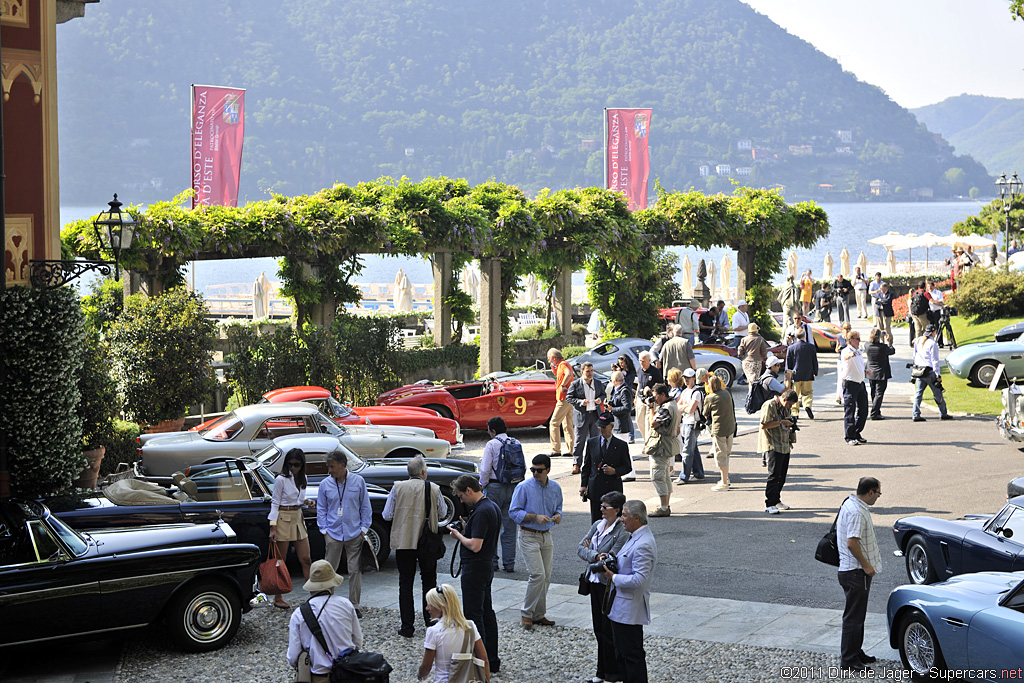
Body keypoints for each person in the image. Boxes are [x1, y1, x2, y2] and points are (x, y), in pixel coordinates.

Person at [383, 454, 444, 637]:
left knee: (405, 583)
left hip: (404, 541)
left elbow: (387, 514)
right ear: (424, 472)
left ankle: (407, 626)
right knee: (429, 582)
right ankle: (430, 621)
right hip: (427, 541)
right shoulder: (433, 488)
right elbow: (442, 512)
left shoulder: (397, 488)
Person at [448, 474, 501, 674]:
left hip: (475, 567)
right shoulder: (491, 506)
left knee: (473, 616)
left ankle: (480, 663)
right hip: (485, 566)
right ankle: (492, 660)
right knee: (487, 612)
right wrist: (466, 528)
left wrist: (458, 535)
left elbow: (475, 545)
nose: (461, 501)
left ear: (469, 491)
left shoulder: (481, 511)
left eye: (461, 496)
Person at [601, 500, 657, 683]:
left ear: (636, 518)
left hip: (630, 609)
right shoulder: (634, 537)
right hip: (620, 607)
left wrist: (613, 577)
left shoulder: (644, 544)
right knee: (622, 655)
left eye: (624, 515)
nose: (621, 519)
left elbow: (639, 581)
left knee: (631, 656)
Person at [577, 491, 630, 683]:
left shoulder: (621, 531)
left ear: (616, 510)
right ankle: (601, 671)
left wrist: (594, 552)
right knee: (598, 629)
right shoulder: (597, 525)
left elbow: (610, 557)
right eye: (601, 506)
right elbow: (580, 548)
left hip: (608, 584)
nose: (601, 510)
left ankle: (612, 674)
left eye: (605, 507)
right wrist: (595, 555)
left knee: (608, 630)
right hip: (594, 582)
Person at [287, 560, 363, 683]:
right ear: (332, 585)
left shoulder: (298, 614)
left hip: (319, 676)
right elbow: (357, 641)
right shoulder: (346, 604)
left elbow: (293, 656)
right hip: (347, 674)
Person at [317, 448, 372, 617]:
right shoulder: (325, 484)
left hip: (354, 532)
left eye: (332, 467)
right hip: (333, 533)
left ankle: (354, 605)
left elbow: (365, 506)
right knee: (329, 569)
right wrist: (325, 530)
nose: (330, 470)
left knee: (354, 570)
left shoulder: (358, 481)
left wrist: (363, 529)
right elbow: (321, 509)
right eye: (328, 467)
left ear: (343, 465)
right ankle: (326, 602)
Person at [509, 454, 562, 630]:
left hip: (546, 535)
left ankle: (539, 614)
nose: (535, 473)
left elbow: (559, 508)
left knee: (546, 576)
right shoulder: (523, 487)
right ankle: (526, 613)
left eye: (539, 470)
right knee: (537, 574)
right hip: (528, 535)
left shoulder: (555, 487)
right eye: (533, 470)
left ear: (548, 470)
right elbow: (513, 512)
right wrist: (534, 517)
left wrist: (557, 516)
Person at [836, 477, 883, 673]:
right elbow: (852, 542)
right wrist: (866, 566)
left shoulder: (851, 503)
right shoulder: (856, 511)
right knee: (854, 618)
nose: (878, 497)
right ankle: (849, 659)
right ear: (870, 492)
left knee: (857, 616)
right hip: (856, 572)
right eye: (878, 493)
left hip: (852, 571)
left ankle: (856, 652)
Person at [268, 447, 314, 609]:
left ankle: (313, 595)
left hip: (297, 517)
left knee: (306, 559)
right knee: (281, 561)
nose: (293, 468)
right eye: (290, 464)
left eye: (296, 464)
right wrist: (273, 527)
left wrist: (306, 501)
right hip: (283, 518)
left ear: (302, 465)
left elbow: (296, 499)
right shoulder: (281, 479)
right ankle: (277, 596)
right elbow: (275, 502)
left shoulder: (303, 478)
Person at [417, 584, 490, 683]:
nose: (427, 608)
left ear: (440, 606)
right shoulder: (470, 626)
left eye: (430, 604)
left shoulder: (433, 631)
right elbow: (483, 658)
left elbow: (426, 667)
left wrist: (420, 674)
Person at [478, 416, 518, 573]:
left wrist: (482, 485)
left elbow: (485, 469)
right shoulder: (516, 442)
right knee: (509, 528)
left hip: (494, 487)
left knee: (491, 527)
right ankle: (509, 563)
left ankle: (492, 561)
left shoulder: (492, 444)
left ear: (493, 431)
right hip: (512, 487)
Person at [581, 413, 632, 521]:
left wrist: (615, 471)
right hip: (595, 489)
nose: (601, 429)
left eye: (604, 427)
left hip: (612, 488)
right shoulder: (592, 442)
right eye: (599, 426)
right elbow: (587, 466)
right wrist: (583, 485)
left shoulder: (620, 445)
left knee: (614, 522)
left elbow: (627, 467)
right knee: (596, 521)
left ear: (612, 426)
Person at [759, 390, 798, 515]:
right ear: (784, 399)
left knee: (782, 475)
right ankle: (769, 503)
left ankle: (776, 500)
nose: (790, 407)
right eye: (790, 405)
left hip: (785, 444)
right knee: (774, 475)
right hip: (773, 444)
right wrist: (782, 422)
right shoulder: (770, 405)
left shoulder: (785, 408)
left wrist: (790, 423)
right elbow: (764, 425)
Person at [643, 383, 680, 517]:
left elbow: (653, 423)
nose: (654, 399)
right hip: (667, 444)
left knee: (657, 476)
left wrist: (651, 408)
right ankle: (665, 504)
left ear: (663, 395)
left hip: (661, 445)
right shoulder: (672, 404)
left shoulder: (665, 409)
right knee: (665, 476)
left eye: (655, 396)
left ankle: (664, 507)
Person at [568, 362, 606, 475]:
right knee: (579, 441)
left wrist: (600, 399)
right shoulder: (575, 384)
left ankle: (595, 463)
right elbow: (568, 398)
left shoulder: (598, 383)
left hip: (595, 415)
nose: (590, 373)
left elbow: (603, 394)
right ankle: (577, 464)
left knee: (595, 440)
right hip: (582, 416)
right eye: (587, 371)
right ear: (581, 372)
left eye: (591, 371)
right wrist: (580, 402)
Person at [912, 324, 952, 423]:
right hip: (929, 371)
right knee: (937, 392)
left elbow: (914, 355)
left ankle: (915, 414)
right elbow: (935, 361)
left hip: (919, 371)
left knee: (918, 393)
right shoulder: (932, 343)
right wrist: (938, 375)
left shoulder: (918, 340)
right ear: (933, 332)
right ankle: (943, 413)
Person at [703, 374, 736, 491]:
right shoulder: (726, 393)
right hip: (730, 427)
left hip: (719, 429)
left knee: (720, 456)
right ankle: (726, 478)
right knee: (726, 454)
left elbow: (705, 412)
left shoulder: (710, 397)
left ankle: (724, 482)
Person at [675, 368, 706, 484]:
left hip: (693, 424)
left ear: (694, 378)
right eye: (685, 378)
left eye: (688, 378)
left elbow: (690, 409)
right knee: (693, 448)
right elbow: (680, 406)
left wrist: (684, 407)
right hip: (687, 423)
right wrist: (685, 407)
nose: (686, 380)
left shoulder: (696, 392)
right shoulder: (685, 392)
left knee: (687, 450)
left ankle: (684, 476)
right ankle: (698, 473)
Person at [840, 330, 868, 447]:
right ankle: (849, 436)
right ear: (851, 340)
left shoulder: (858, 351)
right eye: (857, 339)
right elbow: (845, 357)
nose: (859, 341)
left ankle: (856, 432)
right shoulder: (846, 351)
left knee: (864, 410)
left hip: (860, 383)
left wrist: (865, 372)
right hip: (850, 383)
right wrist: (850, 356)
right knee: (850, 411)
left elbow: (858, 366)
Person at [547, 348, 575, 460]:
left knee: (554, 423)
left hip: (563, 399)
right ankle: (571, 449)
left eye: (549, 358)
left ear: (554, 358)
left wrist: (563, 385)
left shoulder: (563, 365)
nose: (549, 361)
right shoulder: (562, 365)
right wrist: (553, 367)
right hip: (568, 399)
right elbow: (561, 374)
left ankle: (556, 450)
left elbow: (567, 374)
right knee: (567, 425)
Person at [863, 327, 895, 421]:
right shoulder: (883, 347)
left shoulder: (867, 345)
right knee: (879, 393)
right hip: (881, 372)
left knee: (874, 392)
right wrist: (889, 342)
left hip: (871, 372)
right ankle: (874, 412)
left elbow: (870, 342)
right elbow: (892, 350)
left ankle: (876, 410)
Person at [785, 328, 818, 420]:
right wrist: (815, 371)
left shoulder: (791, 348)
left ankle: (795, 412)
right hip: (808, 374)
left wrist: (787, 375)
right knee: (807, 392)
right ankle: (807, 405)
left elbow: (788, 363)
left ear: (796, 336)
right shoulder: (811, 347)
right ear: (804, 336)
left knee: (795, 393)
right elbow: (814, 361)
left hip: (795, 375)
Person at [634, 351, 663, 448]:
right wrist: (635, 397)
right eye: (640, 361)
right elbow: (639, 383)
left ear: (649, 361)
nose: (642, 363)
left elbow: (661, 386)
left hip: (651, 400)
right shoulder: (639, 370)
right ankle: (645, 439)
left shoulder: (655, 371)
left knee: (647, 422)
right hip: (640, 398)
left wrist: (651, 389)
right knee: (639, 421)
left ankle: (648, 443)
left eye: (644, 361)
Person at [607, 370, 635, 444]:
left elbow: (627, 408)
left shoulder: (624, 391)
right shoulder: (616, 389)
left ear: (615, 381)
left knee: (621, 448)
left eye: (612, 380)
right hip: (616, 423)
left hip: (622, 424)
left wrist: (613, 409)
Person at [834, 322, 853, 405]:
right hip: (841, 360)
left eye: (849, 328)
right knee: (840, 378)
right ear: (842, 329)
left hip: (850, 360)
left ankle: (848, 395)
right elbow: (836, 349)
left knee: (849, 378)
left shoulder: (852, 338)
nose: (847, 330)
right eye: (845, 329)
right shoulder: (840, 338)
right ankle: (839, 396)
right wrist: (838, 349)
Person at [926, 281, 946, 346]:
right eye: (928, 287)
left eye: (931, 286)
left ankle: (940, 342)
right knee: (930, 328)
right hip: (930, 312)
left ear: (933, 286)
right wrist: (935, 302)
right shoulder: (927, 293)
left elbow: (941, 303)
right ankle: (931, 343)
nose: (930, 288)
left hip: (937, 311)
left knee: (938, 327)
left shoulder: (938, 293)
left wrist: (934, 302)